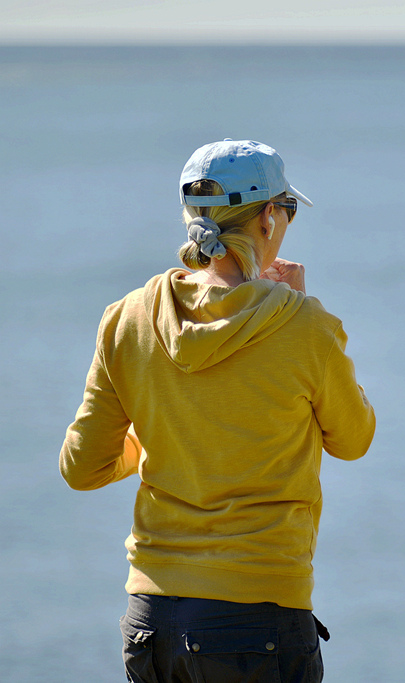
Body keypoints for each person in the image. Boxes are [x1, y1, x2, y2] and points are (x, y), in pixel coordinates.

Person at [60, 139, 376, 682]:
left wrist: (166, 431)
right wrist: (300, 307)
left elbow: (81, 468)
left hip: (151, 620)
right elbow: (354, 439)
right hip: (258, 620)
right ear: (270, 218)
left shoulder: (126, 319)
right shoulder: (305, 328)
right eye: (288, 210)